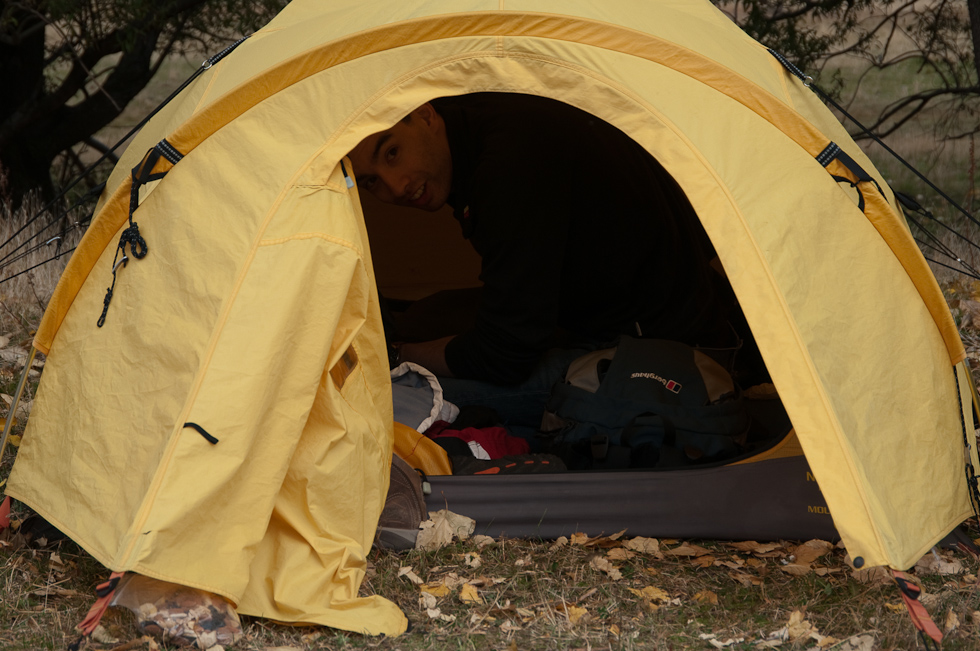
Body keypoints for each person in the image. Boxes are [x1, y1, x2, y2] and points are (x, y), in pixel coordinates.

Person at [348, 92, 739, 427]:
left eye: (392, 153)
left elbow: (504, 356)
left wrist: (398, 354)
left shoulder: (509, 163)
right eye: (370, 182)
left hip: (658, 357)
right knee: (435, 310)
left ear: (426, 115)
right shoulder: (486, 119)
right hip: (616, 311)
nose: (395, 186)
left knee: (389, 392)